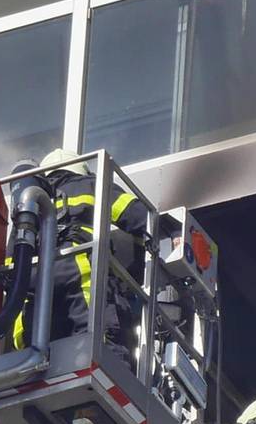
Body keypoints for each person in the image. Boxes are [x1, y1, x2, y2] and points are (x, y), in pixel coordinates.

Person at [10, 149, 152, 366]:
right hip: (79, 273)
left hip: (35, 286)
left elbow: (12, 261)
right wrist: (174, 232)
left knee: (40, 352)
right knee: (97, 344)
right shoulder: (91, 185)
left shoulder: (27, 207)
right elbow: (136, 215)